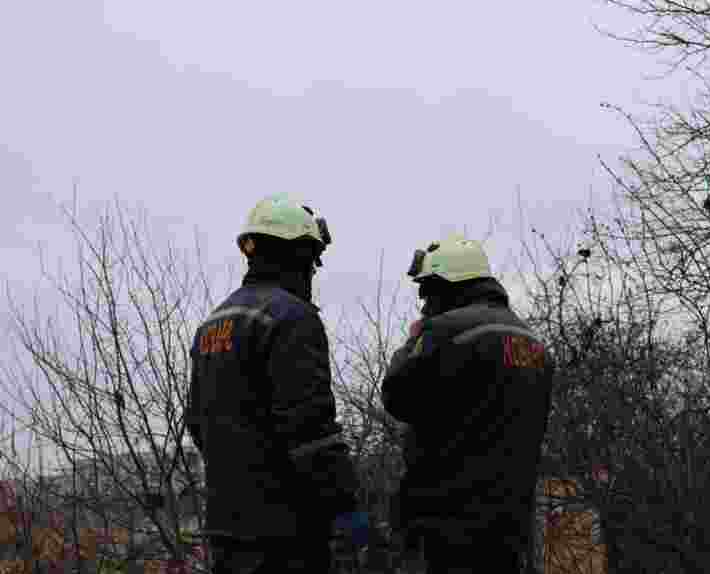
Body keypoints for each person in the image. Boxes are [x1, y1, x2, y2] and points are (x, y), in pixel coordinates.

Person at [185, 193, 358, 573]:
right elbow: (309, 429)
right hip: (285, 535)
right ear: (299, 256)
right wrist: (347, 504)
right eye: (312, 260)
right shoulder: (291, 317)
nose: (313, 273)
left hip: (227, 528)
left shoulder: (214, 323)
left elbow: (197, 422)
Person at [383, 234, 554, 574]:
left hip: (446, 525)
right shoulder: (533, 343)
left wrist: (414, 337)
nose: (425, 303)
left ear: (449, 284)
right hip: (512, 525)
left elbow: (397, 395)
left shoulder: (446, 331)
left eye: (428, 291)